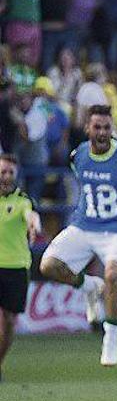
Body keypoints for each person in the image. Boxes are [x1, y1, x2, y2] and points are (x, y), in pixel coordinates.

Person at [39, 105, 117, 367]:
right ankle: (89, 286)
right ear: (87, 128)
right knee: (48, 265)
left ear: (112, 129)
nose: (102, 132)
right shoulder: (78, 155)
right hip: (85, 224)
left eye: (107, 127)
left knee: (112, 275)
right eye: (97, 127)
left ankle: (111, 337)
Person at [0, 155, 41, 381]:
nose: (6, 177)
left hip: (15, 267)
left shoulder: (22, 200)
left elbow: (31, 215)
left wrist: (34, 224)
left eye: (10, 173)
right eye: (3, 172)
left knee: (8, 321)